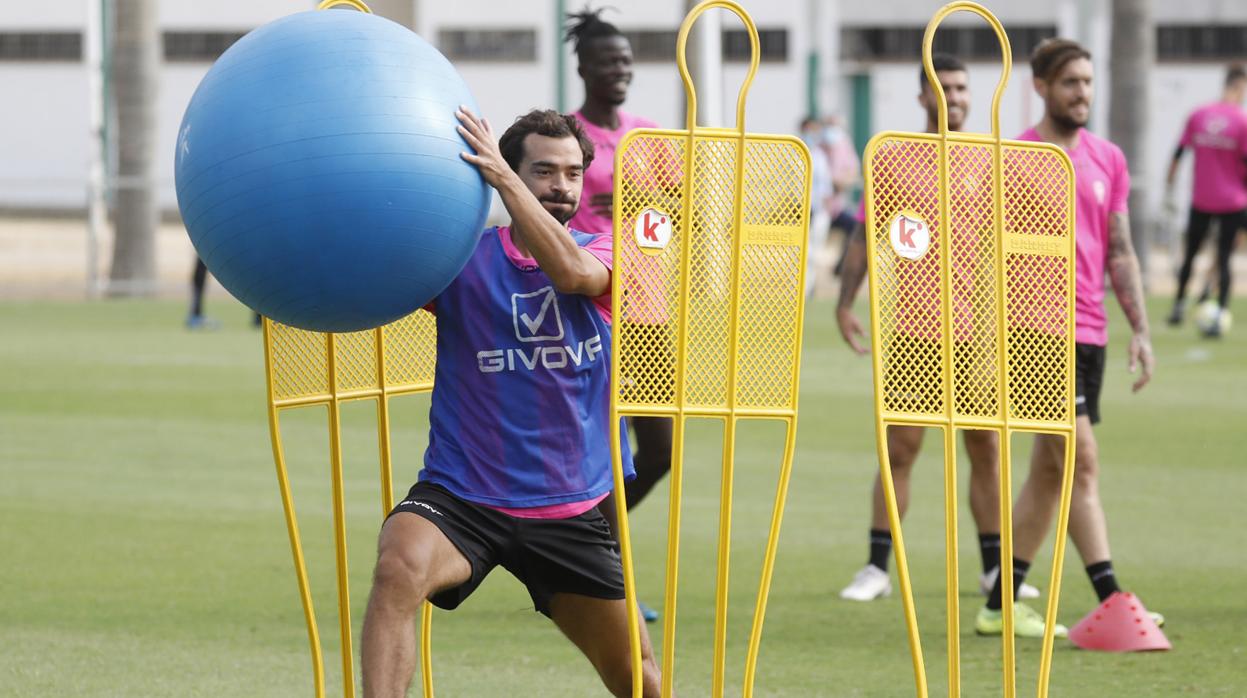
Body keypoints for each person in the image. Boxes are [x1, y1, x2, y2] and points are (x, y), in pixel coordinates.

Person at [359, 108, 660, 698]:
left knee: (639, 677)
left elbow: (570, 273)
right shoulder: (459, 259)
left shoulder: (610, 249)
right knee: (398, 568)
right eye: (542, 171)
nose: (561, 186)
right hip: (462, 495)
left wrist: (502, 177)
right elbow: (376, 273)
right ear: (512, 174)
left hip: (570, 507)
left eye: (572, 173)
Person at [836, 54, 1038, 603]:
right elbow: (864, 236)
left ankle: (994, 570)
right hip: (914, 329)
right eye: (945, 87)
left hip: (980, 333)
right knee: (900, 449)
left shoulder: (992, 158)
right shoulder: (894, 156)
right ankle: (877, 567)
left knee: (986, 447)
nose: (956, 97)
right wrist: (845, 303)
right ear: (923, 96)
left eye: (963, 87)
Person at [977, 38, 1159, 638]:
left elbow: (1120, 250)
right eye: (1069, 82)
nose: (1082, 93)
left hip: (1090, 332)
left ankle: (999, 605)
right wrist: (985, 334)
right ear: (1041, 88)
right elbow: (983, 251)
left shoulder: (1109, 158)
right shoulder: (1015, 159)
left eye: (1087, 81)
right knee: (1081, 460)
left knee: (1050, 473)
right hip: (1033, 332)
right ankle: (1111, 598)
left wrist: (1141, 329)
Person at [563, 7, 669, 623]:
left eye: (626, 60)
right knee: (604, 453)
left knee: (659, 452)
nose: (620, 69)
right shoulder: (567, 136)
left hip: (651, 310)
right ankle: (612, 579)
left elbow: (677, 212)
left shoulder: (648, 136)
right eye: (608, 61)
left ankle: (578, 542)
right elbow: (552, 207)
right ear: (583, 67)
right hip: (592, 311)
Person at [1164, 64, 1247, 337]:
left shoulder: (1198, 115)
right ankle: (1219, 312)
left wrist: (1169, 186)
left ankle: (1178, 307)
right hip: (1233, 201)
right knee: (1224, 258)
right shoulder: (1241, 122)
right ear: (1239, 87)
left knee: (1191, 254)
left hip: (1201, 198)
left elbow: (1178, 153)